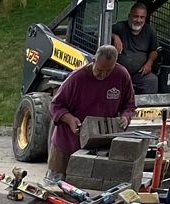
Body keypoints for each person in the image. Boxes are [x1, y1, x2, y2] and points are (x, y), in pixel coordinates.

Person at [47, 46, 136, 184]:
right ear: (93, 61)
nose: (103, 75)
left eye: (108, 71)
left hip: (99, 144)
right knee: (56, 188)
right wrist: (69, 119)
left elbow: (129, 105)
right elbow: (55, 105)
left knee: (89, 188)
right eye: (99, 70)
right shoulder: (77, 78)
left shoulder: (122, 75)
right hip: (68, 144)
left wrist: (126, 116)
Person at [111, 2, 162, 95]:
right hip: (119, 72)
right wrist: (114, 36)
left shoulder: (149, 31)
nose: (138, 20)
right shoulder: (120, 27)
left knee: (152, 80)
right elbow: (98, 33)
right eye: (136, 16)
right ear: (129, 16)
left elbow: (154, 50)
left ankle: (147, 108)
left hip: (140, 73)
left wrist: (149, 62)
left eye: (142, 17)